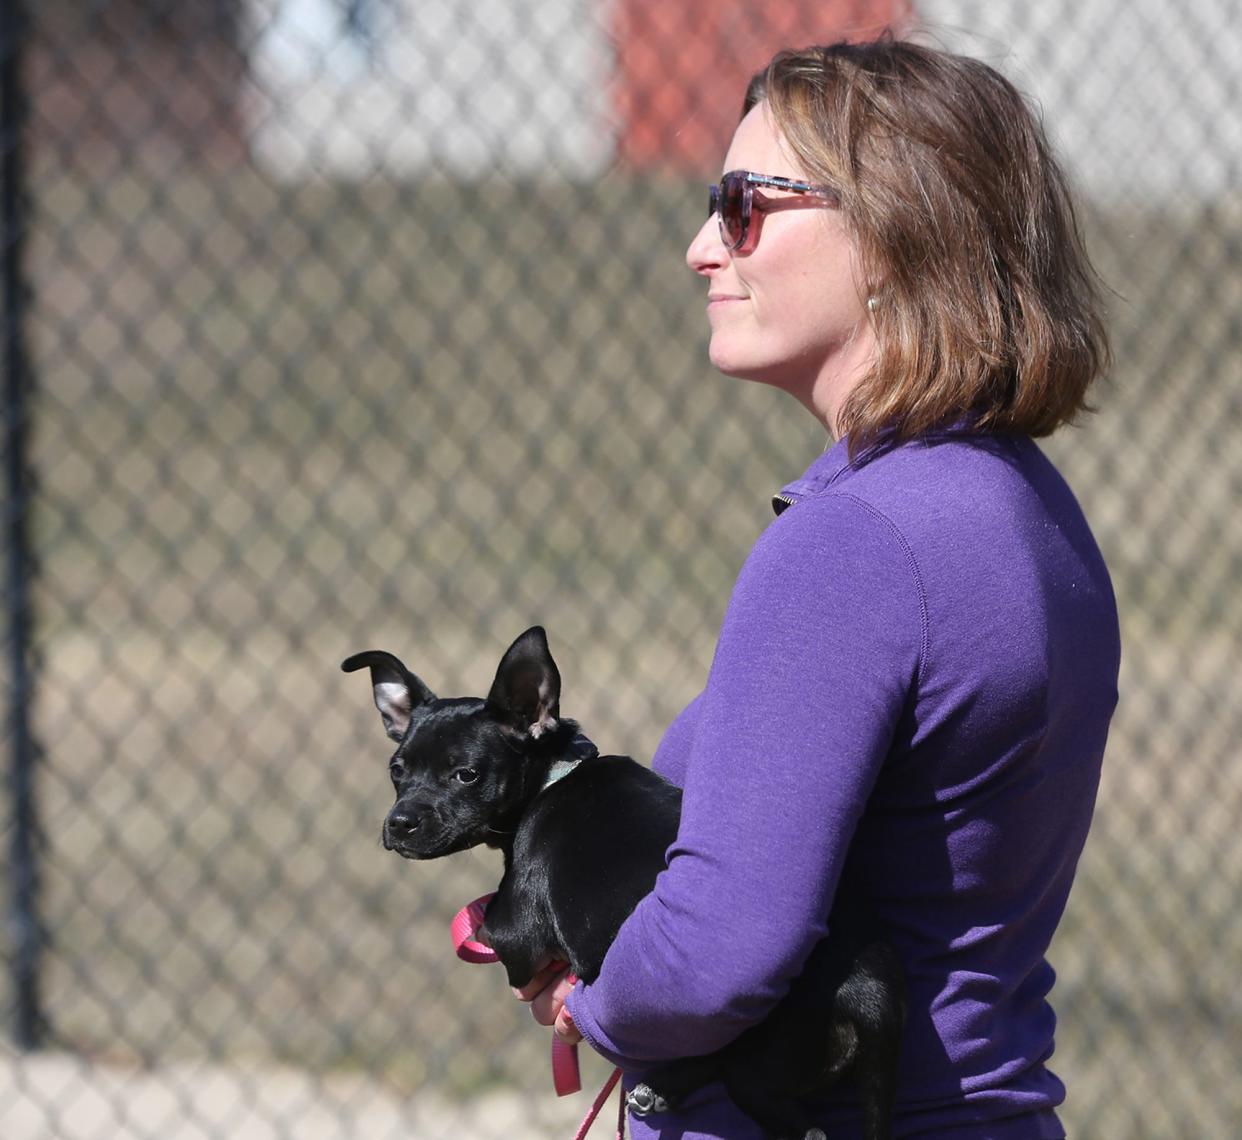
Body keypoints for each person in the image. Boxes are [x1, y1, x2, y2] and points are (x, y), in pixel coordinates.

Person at [516, 37, 1121, 1140]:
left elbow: (718, 949)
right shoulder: (1030, 509)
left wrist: (593, 1004)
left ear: (896, 233)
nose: (703, 247)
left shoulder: (854, 545)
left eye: (744, 206)